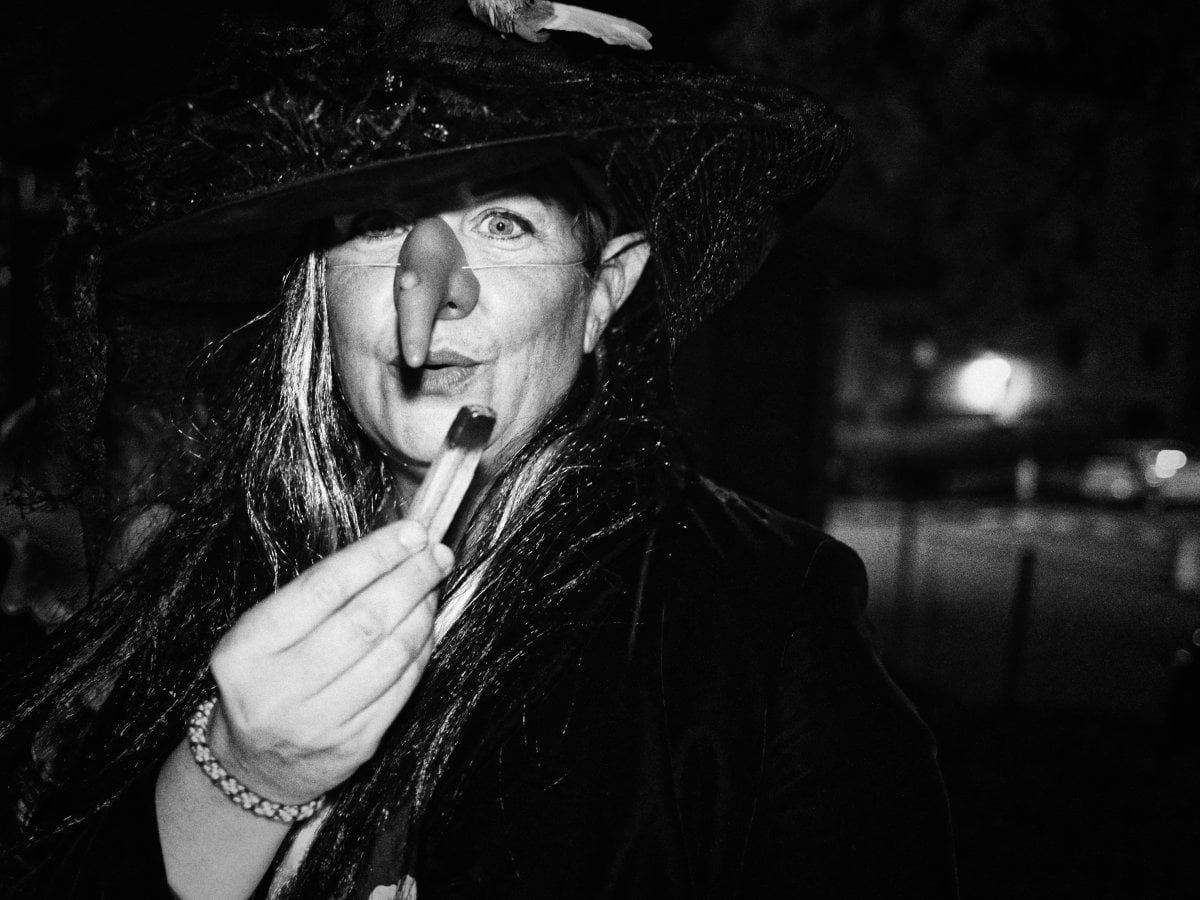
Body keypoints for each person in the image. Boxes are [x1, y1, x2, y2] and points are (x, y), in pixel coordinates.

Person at [0, 0, 958, 897]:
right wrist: (242, 778)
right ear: (314, 286)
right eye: (377, 226)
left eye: (504, 223)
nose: (435, 286)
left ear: (604, 293)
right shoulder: (197, 574)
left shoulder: (760, 628)